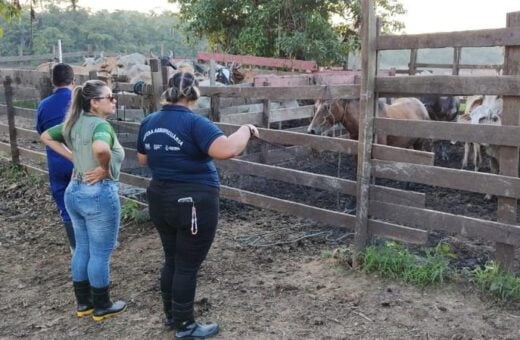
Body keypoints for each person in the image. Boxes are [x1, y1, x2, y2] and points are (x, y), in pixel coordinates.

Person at [136, 71, 258, 339]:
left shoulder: (148, 121)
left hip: (159, 197)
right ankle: (185, 326)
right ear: (194, 94)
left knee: (172, 259)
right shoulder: (194, 123)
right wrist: (245, 129)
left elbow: (143, 160)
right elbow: (226, 150)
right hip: (192, 202)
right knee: (187, 265)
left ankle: (171, 316)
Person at [40, 79, 126, 321]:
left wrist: (73, 158)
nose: (114, 101)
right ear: (94, 103)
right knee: (100, 253)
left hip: (73, 192)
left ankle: (84, 303)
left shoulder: (73, 123)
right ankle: (102, 305)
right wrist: (104, 168)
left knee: (82, 249)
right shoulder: (101, 126)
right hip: (97, 193)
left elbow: (46, 136)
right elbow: (101, 149)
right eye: (109, 97)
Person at [36, 63, 75, 252]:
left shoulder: (43, 105)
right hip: (81, 161)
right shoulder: (81, 101)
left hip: (57, 163)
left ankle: (75, 246)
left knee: (65, 206)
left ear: (53, 81)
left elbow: (41, 132)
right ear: (73, 81)